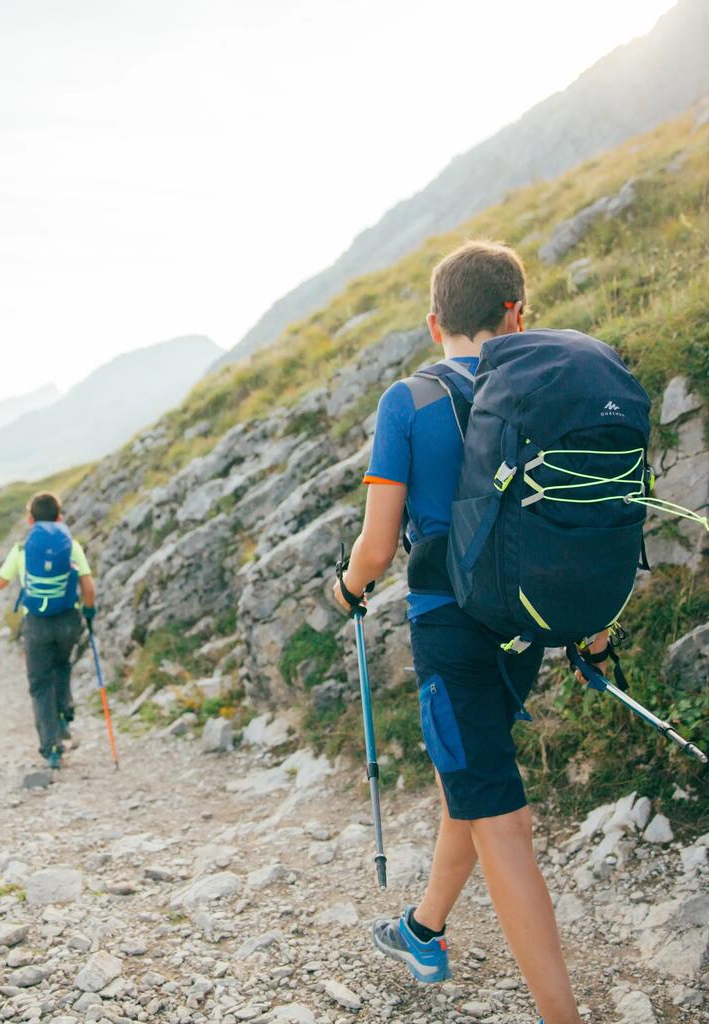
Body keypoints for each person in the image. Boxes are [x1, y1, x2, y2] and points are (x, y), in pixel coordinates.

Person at [333, 241, 597, 1024]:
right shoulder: (542, 390)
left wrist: (348, 588)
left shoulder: (408, 403)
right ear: (516, 314)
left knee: (500, 816)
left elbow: (379, 547)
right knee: (472, 782)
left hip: (451, 628)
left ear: (432, 321)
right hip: (529, 622)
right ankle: (423, 930)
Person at [0, 492, 96, 769]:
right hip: (67, 619)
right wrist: (89, 611)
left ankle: (51, 748)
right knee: (62, 665)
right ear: (60, 517)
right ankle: (65, 712)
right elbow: (88, 587)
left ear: (30, 520)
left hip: (36, 623)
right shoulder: (71, 546)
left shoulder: (23, 549)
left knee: (39, 683)